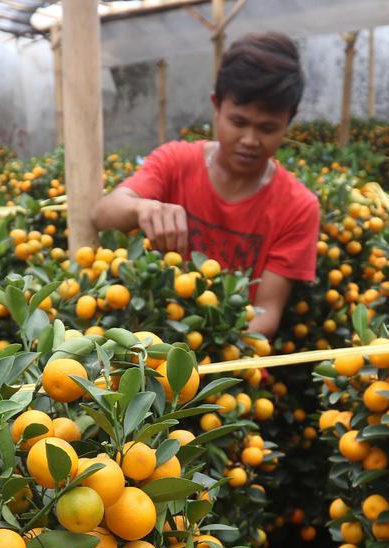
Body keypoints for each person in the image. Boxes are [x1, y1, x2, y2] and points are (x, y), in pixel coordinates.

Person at [91, 33, 319, 339]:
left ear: (289, 121)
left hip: (232, 364)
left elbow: (266, 313)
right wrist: (140, 207)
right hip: (152, 348)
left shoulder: (298, 207)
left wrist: (210, 348)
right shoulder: (176, 162)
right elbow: (103, 214)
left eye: (267, 128)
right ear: (216, 106)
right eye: (238, 122)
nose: (250, 140)